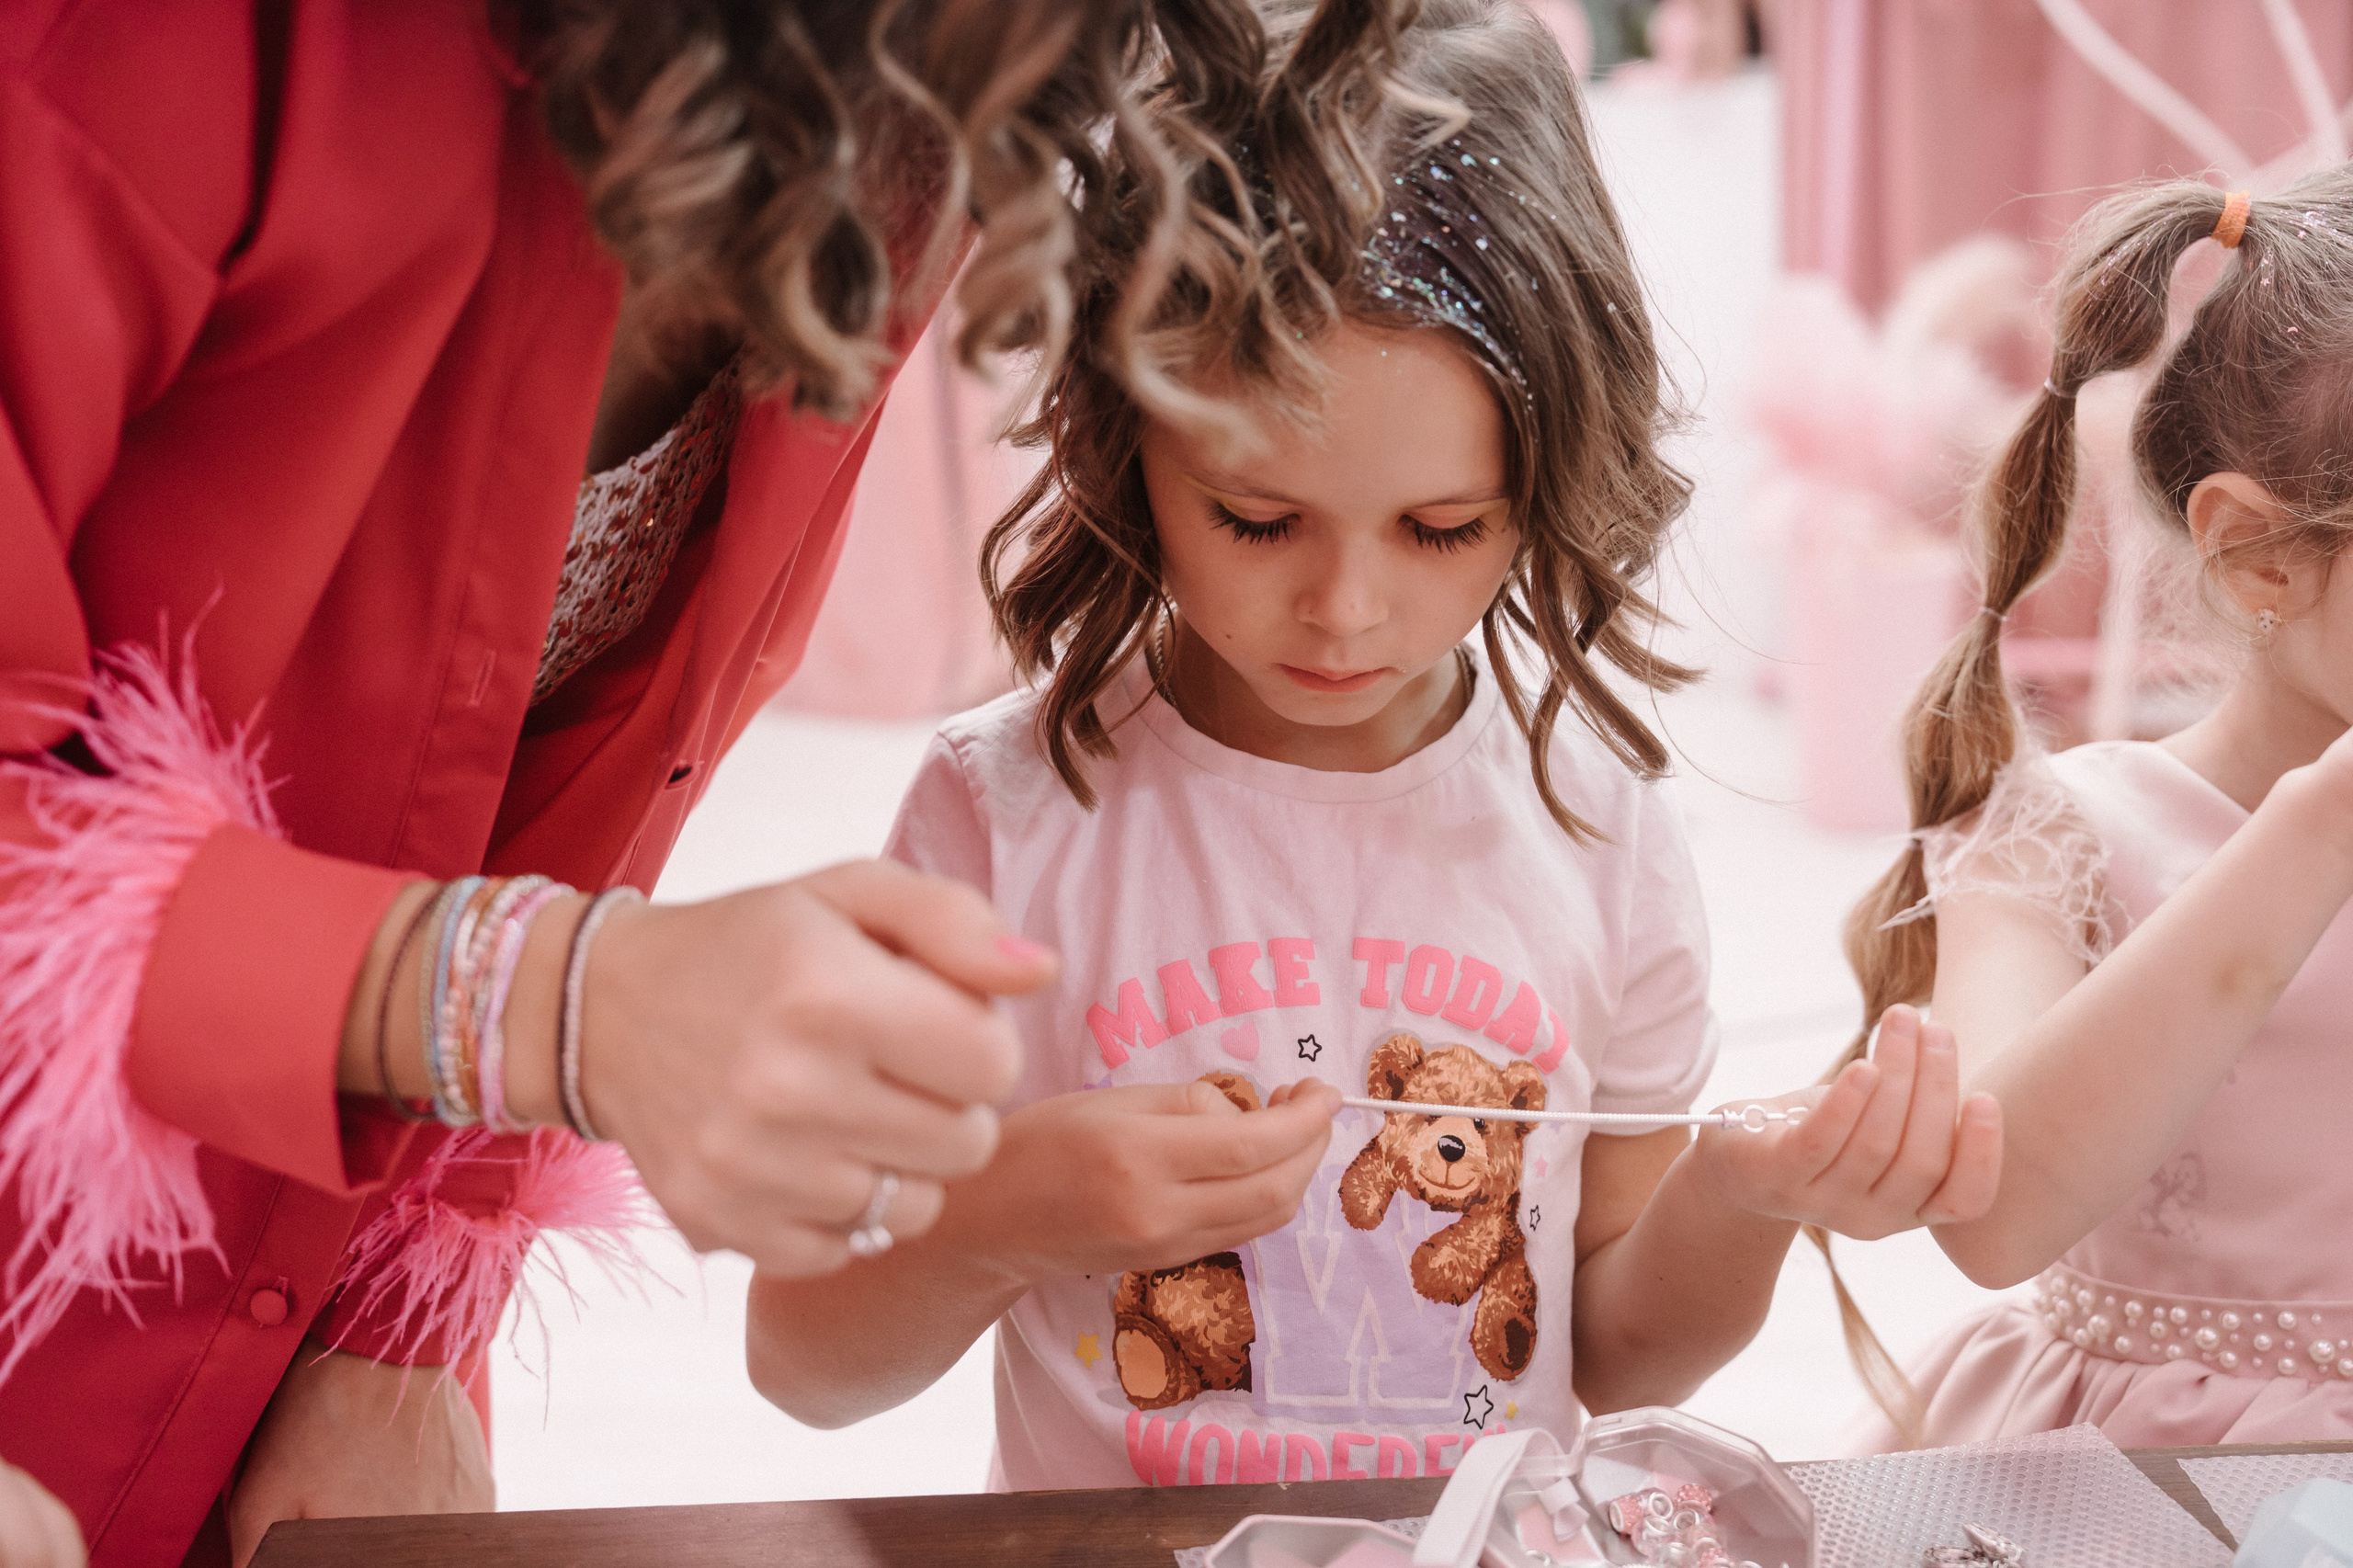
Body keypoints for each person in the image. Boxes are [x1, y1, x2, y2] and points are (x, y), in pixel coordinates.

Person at [0, 3, 1413, 1562]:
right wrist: (556, 1001)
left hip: (310, 1315)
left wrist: (406, 1306)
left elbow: (572, 760)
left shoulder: (910, 105)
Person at [745, 0, 2002, 1490]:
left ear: (1551, 477)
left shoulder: (1601, 829)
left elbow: (1616, 1353)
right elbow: (806, 1362)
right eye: (1258, 518)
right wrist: (1008, 1210)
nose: (1344, 610)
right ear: (1124, 438)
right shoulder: (1000, 820)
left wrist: (1740, 1197)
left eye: (1441, 528)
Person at [1839, 172, 2353, 1451]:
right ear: (2260, 553)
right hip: (2151, 1481)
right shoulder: (2066, 832)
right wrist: (2325, 820)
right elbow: (1994, 1212)